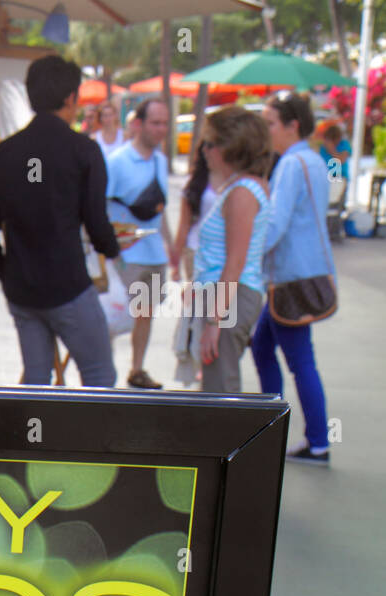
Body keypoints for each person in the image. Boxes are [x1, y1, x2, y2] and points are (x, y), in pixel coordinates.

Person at [0, 55, 123, 387]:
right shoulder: (82, 150)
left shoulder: (1, 154)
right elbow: (97, 222)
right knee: (100, 376)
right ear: (71, 98)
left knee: (37, 382)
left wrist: (5, 271)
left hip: (22, 289)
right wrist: (113, 249)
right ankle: (86, 441)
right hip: (68, 284)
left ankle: (35, 438)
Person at [254, 92, 334, 464]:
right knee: (263, 347)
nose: (266, 130)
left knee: (300, 360)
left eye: (271, 123)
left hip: (289, 279)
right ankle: (282, 431)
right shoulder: (314, 160)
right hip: (306, 273)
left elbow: (276, 223)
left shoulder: (290, 164)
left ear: (292, 126)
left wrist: (245, 253)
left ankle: (315, 440)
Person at [191, 106, 272, 394]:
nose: (205, 151)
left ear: (231, 148)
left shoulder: (242, 193)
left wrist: (215, 320)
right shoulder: (242, 186)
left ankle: (223, 441)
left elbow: (235, 261)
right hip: (228, 298)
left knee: (220, 390)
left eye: (210, 144)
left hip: (229, 299)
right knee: (217, 385)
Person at [107, 99, 172, 389]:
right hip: (125, 254)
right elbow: (98, 206)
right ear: (139, 124)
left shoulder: (161, 161)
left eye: (164, 123)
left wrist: (172, 247)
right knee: (114, 313)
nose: (161, 129)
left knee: (145, 314)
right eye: (155, 122)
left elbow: (161, 209)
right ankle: (103, 373)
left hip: (153, 252)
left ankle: (137, 368)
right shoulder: (117, 162)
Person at [169, 141, 224, 386]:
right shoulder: (195, 186)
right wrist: (175, 262)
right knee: (199, 311)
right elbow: (183, 226)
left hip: (220, 252)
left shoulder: (231, 181)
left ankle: (207, 359)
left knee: (218, 311)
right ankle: (200, 361)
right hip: (196, 252)